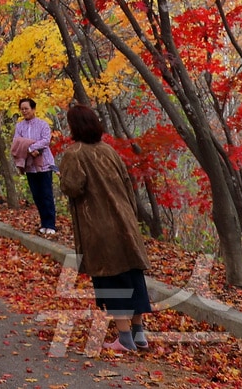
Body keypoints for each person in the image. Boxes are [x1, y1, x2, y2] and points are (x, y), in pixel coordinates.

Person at [57, 103, 151, 351]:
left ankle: (124, 338)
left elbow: (72, 187)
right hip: (125, 222)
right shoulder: (109, 150)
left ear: (74, 127)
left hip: (98, 227)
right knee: (132, 275)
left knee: (111, 278)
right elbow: (128, 184)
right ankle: (139, 334)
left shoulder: (74, 153)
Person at [13, 97, 57, 236]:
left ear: (33, 109)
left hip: (44, 164)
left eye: (26, 108)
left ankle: (51, 224)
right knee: (37, 195)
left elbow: (45, 140)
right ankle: (43, 223)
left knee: (46, 194)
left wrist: (31, 147)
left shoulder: (43, 124)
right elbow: (17, 142)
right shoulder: (19, 126)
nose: (24, 111)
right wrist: (29, 149)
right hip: (29, 165)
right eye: (22, 109)